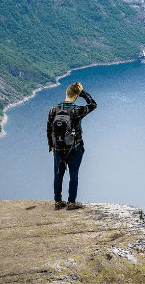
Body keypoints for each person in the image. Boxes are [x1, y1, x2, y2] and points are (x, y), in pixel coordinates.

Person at [47, 81, 97, 210]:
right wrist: (84, 93)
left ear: (66, 93)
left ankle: (58, 201)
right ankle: (71, 202)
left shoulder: (54, 109)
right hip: (75, 149)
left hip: (58, 149)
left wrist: (51, 146)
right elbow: (93, 105)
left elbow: (48, 129)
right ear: (76, 96)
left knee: (58, 175)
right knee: (73, 174)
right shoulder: (77, 110)